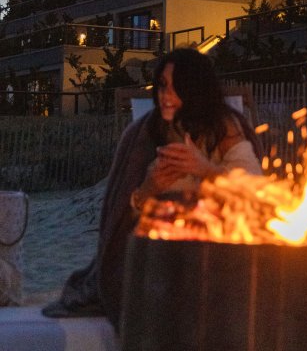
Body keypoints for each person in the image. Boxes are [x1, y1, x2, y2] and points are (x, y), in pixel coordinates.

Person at [43, 48, 262, 328]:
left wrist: (204, 170)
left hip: (222, 252)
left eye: (175, 87)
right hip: (162, 255)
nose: (165, 96)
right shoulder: (143, 134)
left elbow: (255, 191)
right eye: (162, 86)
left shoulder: (225, 127)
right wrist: (148, 190)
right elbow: (120, 215)